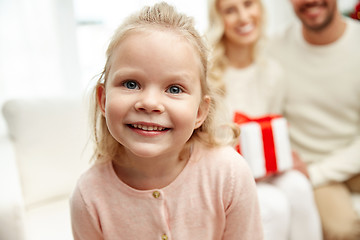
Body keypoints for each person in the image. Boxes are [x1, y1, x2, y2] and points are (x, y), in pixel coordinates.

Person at [70, 2, 263, 240]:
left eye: (174, 88)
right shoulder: (88, 196)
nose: (150, 103)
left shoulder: (230, 175)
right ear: (103, 99)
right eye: (131, 84)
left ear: (200, 112)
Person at [206, 0, 322, 239]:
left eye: (248, 4)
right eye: (230, 10)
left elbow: (271, 133)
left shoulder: (272, 73)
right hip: (225, 175)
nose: (243, 17)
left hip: (264, 170)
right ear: (219, 20)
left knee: (298, 185)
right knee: (274, 204)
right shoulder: (209, 76)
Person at [268, 0, 360, 239]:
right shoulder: (275, 47)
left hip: (351, 160)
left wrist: (320, 171)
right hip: (311, 166)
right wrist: (312, 173)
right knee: (343, 231)